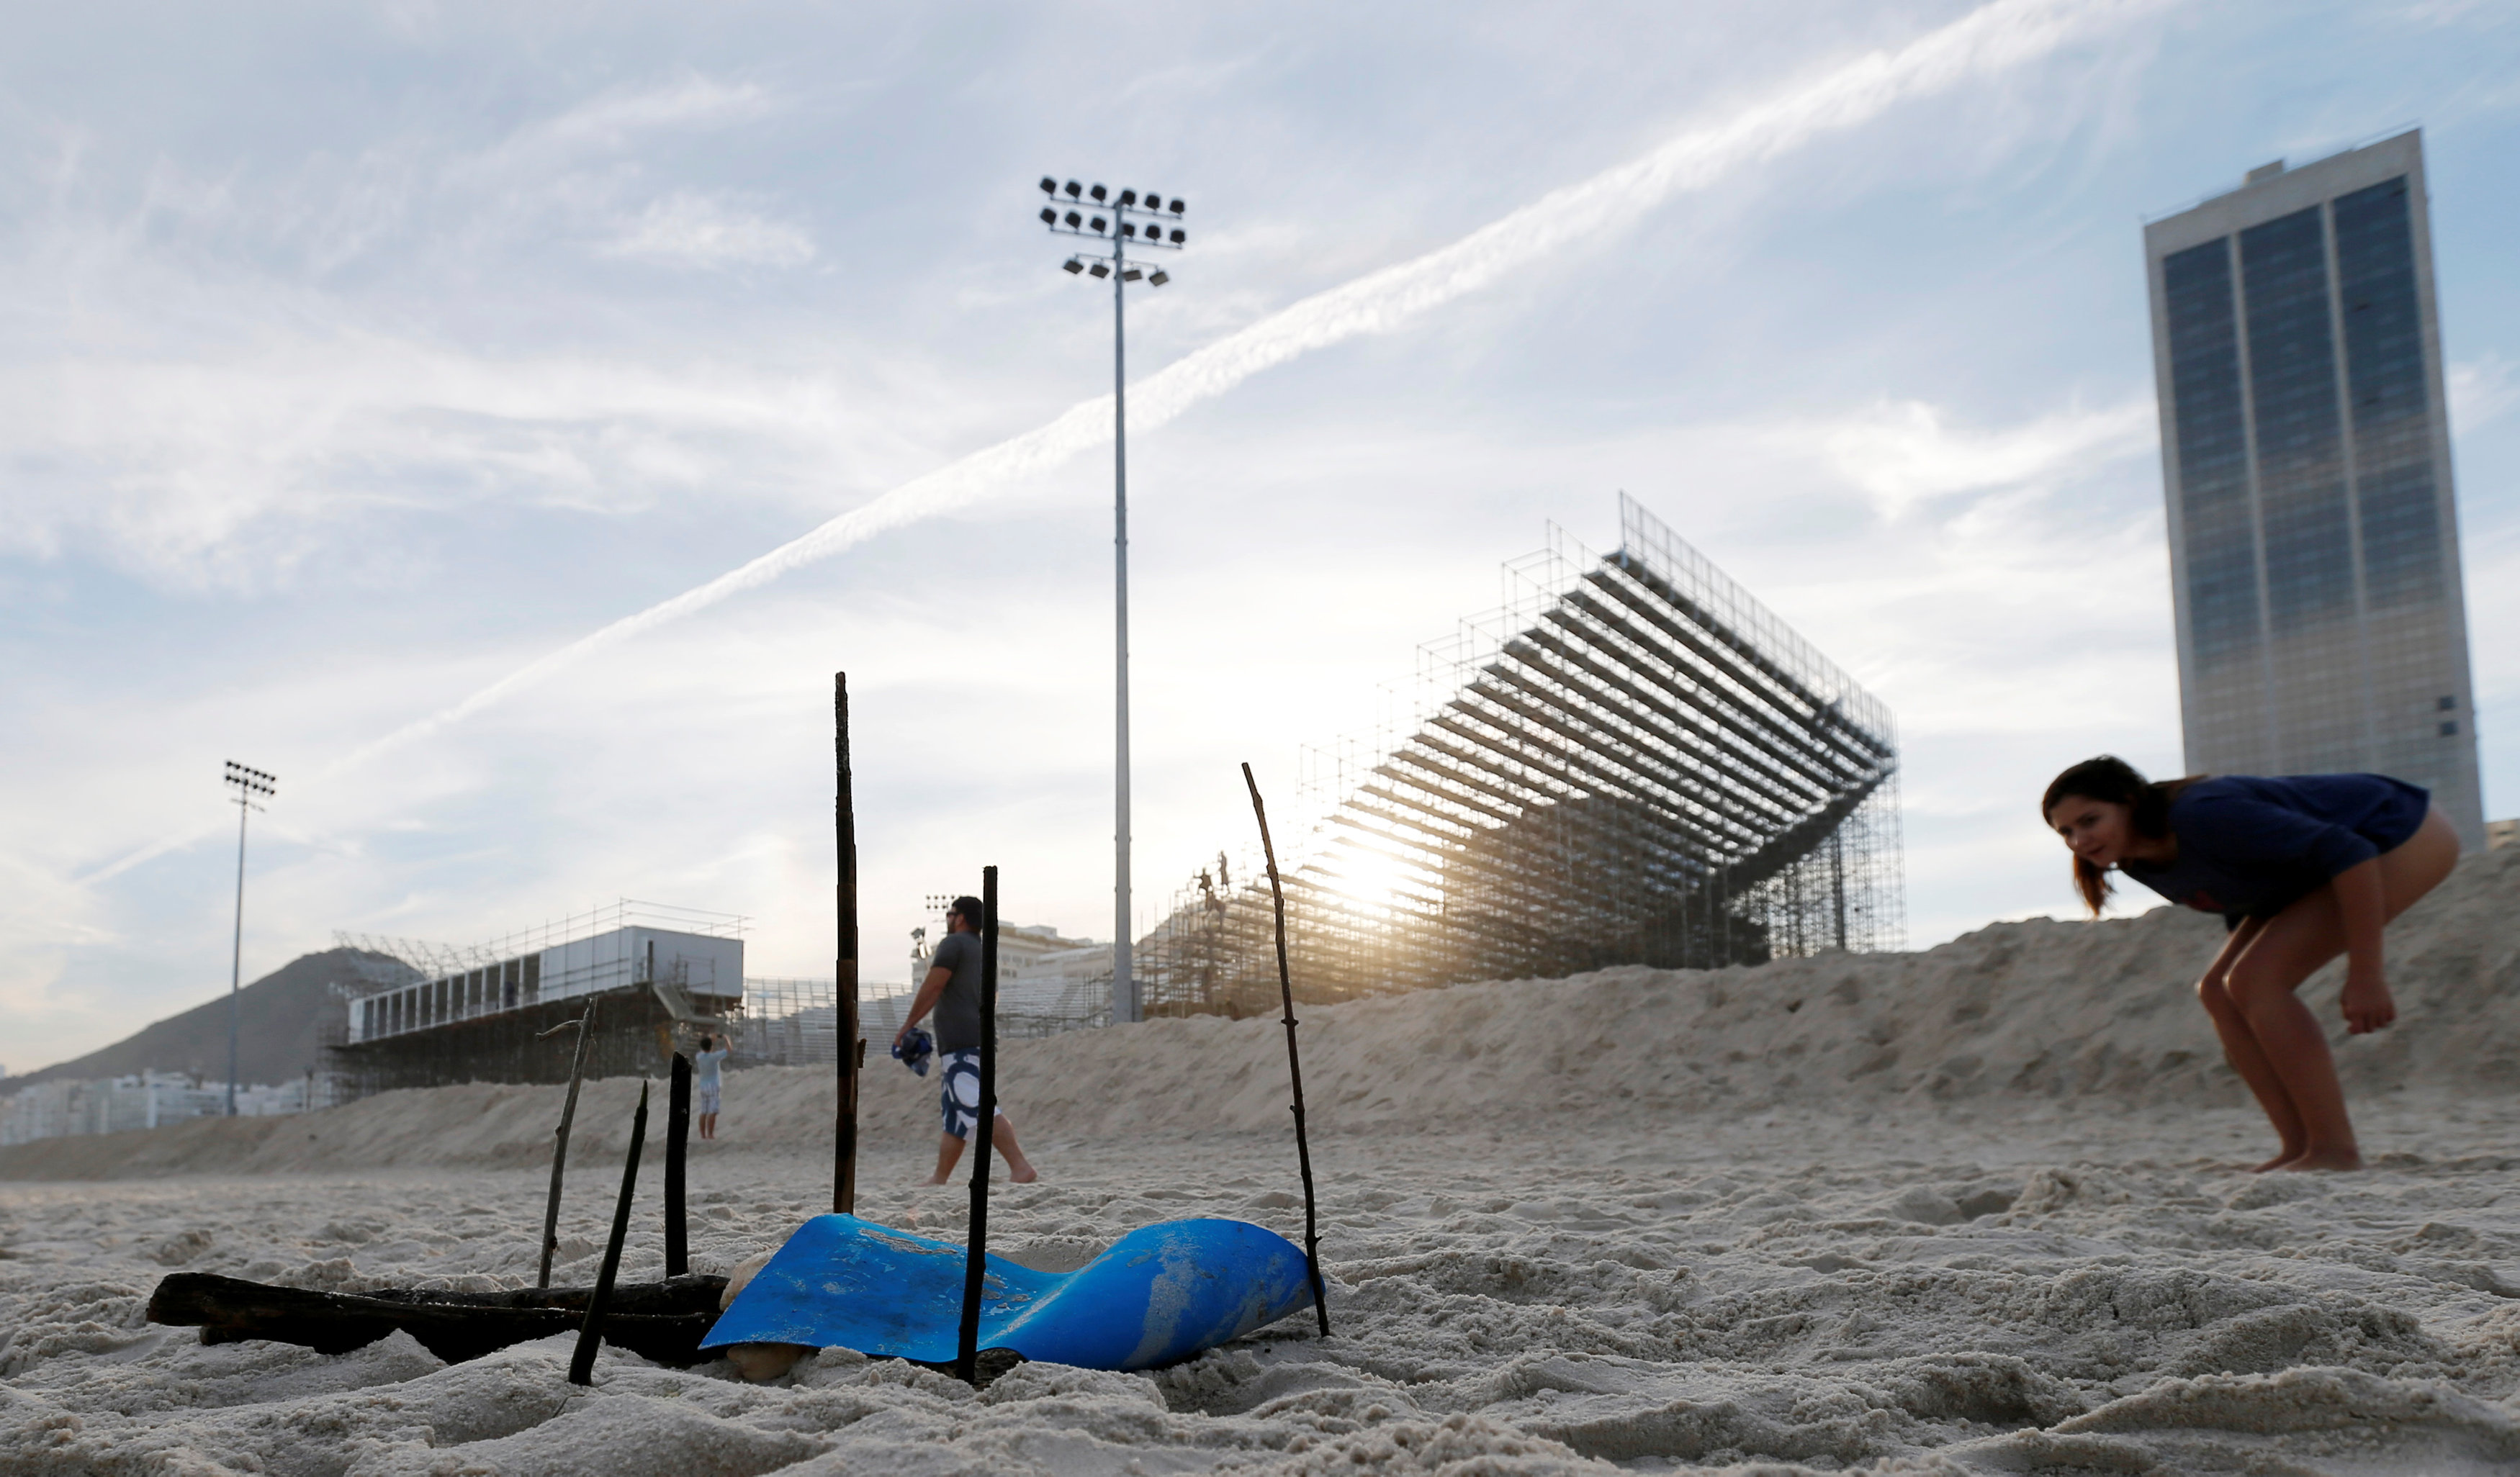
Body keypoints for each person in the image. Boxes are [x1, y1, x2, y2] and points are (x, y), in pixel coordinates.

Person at [2040, 756, 2458, 1173]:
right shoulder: (2136, 861)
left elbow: (2350, 852)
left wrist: (2367, 976)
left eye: (2090, 820)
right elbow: (2243, 887)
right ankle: (2300, 1147)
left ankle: (2335, 1150)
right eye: (2067, 832)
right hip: (2319, 869)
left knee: (2256, 981)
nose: (2081, 840)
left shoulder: (2202, 814)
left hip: (2401, 830)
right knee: (2219, 991)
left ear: (2130, 801)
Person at [894, 895, 1039, 1185]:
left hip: (962, 1041)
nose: (948, 918)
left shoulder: (954, 945)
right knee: (955, 1118)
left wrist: (908, 1025)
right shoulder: (983, 950)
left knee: (976, 1104)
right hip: (976, 1037)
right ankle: (940, 1176)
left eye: (951, 914)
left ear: (959, 918)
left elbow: (934, 985)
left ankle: (1021, 1167)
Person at [692, 1033, 730, 1142]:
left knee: (704, 1111)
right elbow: (729, 1049)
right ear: (711, 1047)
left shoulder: (699, 1057)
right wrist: (726, 1038)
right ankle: (710, 1134)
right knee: (713, 1111)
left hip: (703, 1086)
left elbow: (705, 1046)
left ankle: (703, 1135)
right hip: (713, 1086)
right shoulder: (714, 1057)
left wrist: (710, 1039)